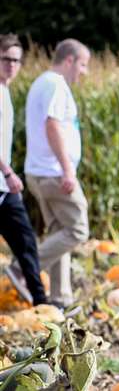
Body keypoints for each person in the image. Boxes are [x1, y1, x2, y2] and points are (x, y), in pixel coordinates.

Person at [24, 39, 91, 304]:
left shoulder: (42, 82)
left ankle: (60, 299)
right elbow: (52, 125)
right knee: (77, 230)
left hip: (41, 172)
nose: (84, 72)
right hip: (53, 173)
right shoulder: (55, 84)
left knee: (59, 231)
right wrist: (67, 170)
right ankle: (24, 269)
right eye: (83, 64)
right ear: (69, 60)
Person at [0, 37, 48, 306]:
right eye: (6, 59)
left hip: (5, 188)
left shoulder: (6, 93)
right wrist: (8, 171)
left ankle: (42, 305)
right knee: (25, 243)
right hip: (3, 181)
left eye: (17, 60)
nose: (12, 65)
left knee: (26, 243)